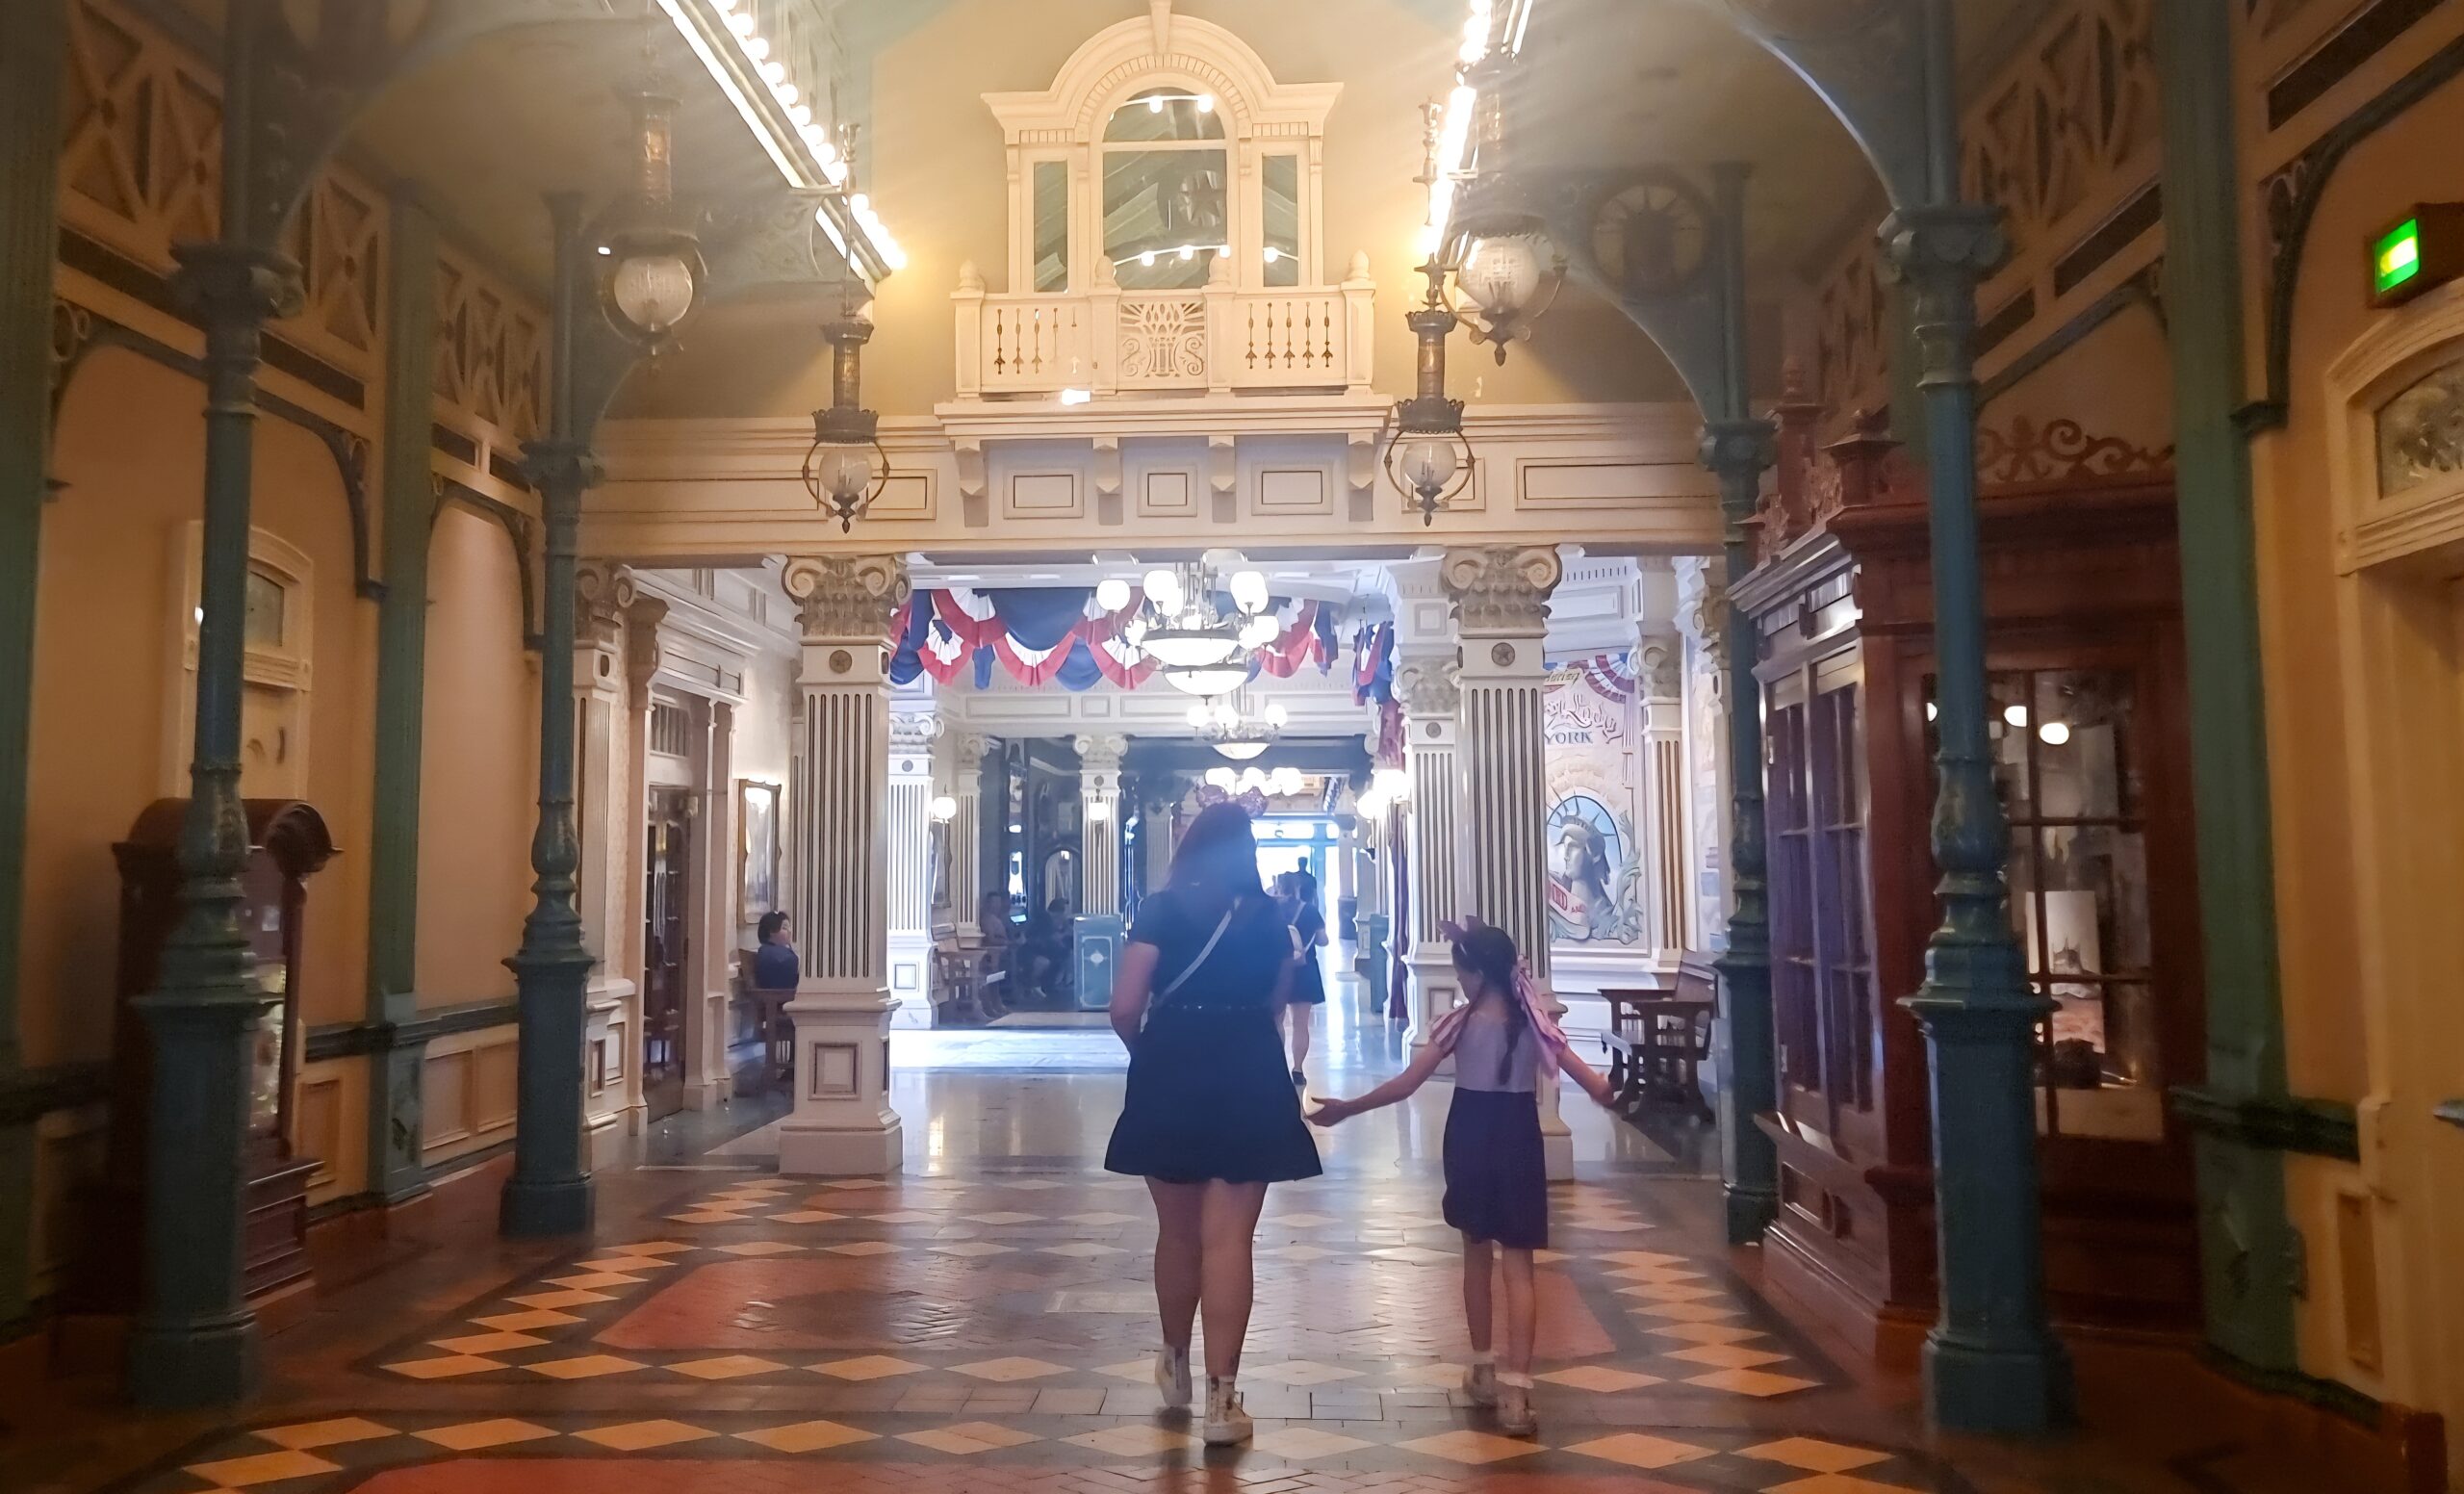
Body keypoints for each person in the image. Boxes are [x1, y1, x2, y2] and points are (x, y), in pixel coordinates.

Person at [1308, 921, 1614, 1438]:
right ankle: (1519, 1393)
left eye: (1459, 970)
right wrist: (1615, 1090)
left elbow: (1407, 1084)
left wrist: (1348, 1108)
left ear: (1474, 974)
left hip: (1471, 1136)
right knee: (1520, 1267)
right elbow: (1595, 1084)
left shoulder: (1459, 1024)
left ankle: (1482, 1368)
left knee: (1476, 1254)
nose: (1458, 979)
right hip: (1519, 1137)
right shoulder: (1534, 1024)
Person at [1104, 803, 1322, 1447]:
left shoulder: (1160, 909)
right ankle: (1224, 1403)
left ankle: (1175, 1364)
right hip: (1249, 1067)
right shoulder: (1273, 918)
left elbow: (1123, 1007)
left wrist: (1152, 1055)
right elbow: (1276, 1008)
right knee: (1230, 1241)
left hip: (1173, 1061)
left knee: (1177, 1234)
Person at [1278, 871, 1327, 1089]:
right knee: (1300, 1025)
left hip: (1277, 972)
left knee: (1276, 1023)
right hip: (1305, 970)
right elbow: (1323, 941)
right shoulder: (1309, 910)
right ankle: (1297, 1069)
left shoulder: (1271, 910)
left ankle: (1278, 1066)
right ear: (1298, 887)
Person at [751, 911, 799, 991]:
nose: (789, 931)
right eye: (784, 928)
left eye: (789, 927)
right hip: (778, 992)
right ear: (771, 932)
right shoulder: (771, 953)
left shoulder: (765, 950)